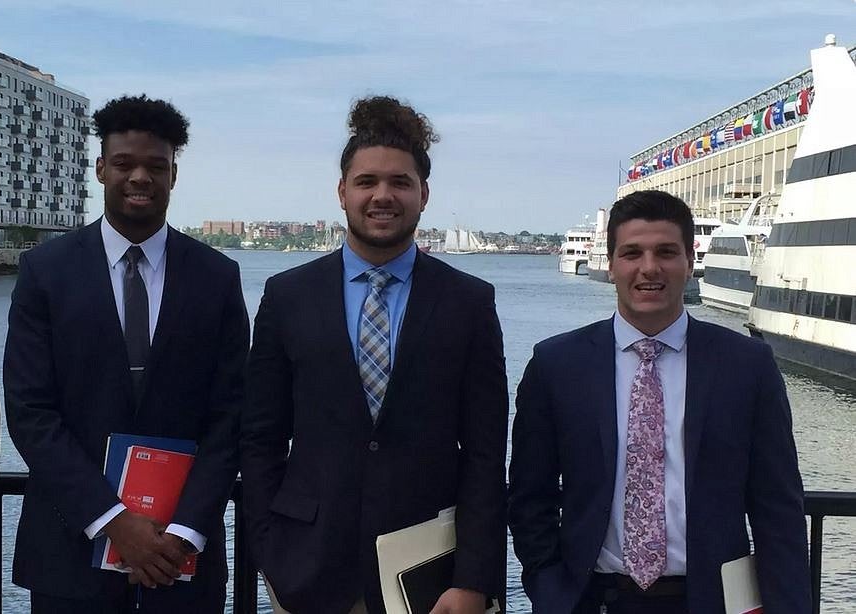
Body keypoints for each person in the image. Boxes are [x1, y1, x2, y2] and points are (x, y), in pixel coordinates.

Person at [240, 95, 509, 614]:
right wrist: (271, 552)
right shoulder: (286, 296)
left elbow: (484, 452)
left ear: (424, 194)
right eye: (367, 182)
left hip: (432, 577)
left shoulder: (469, 302)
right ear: (342, 192)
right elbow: (260, 437)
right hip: (308, 573)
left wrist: (474, 577)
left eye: (400, 182)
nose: (382, 196)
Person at [507, 189, 811, 613]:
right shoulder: (557, 365)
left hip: (713, 601)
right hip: (593, 599)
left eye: (666, 252)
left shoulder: (746, 365)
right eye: (632, 253)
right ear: (611, 264)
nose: (649, 268)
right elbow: (529, 493)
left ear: (690, 261)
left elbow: (778, 506)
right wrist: (548, 586)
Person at [4, 94, 249, 613]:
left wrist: (184, 530)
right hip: (71, 555)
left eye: (155, 166)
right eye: (124, 163)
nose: (140, 176)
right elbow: (30, 414)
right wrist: (112, 521)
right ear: (100, 169)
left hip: (179, 560)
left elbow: (231, 417)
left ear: (174, 175)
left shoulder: (218, 278)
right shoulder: (44, 273)